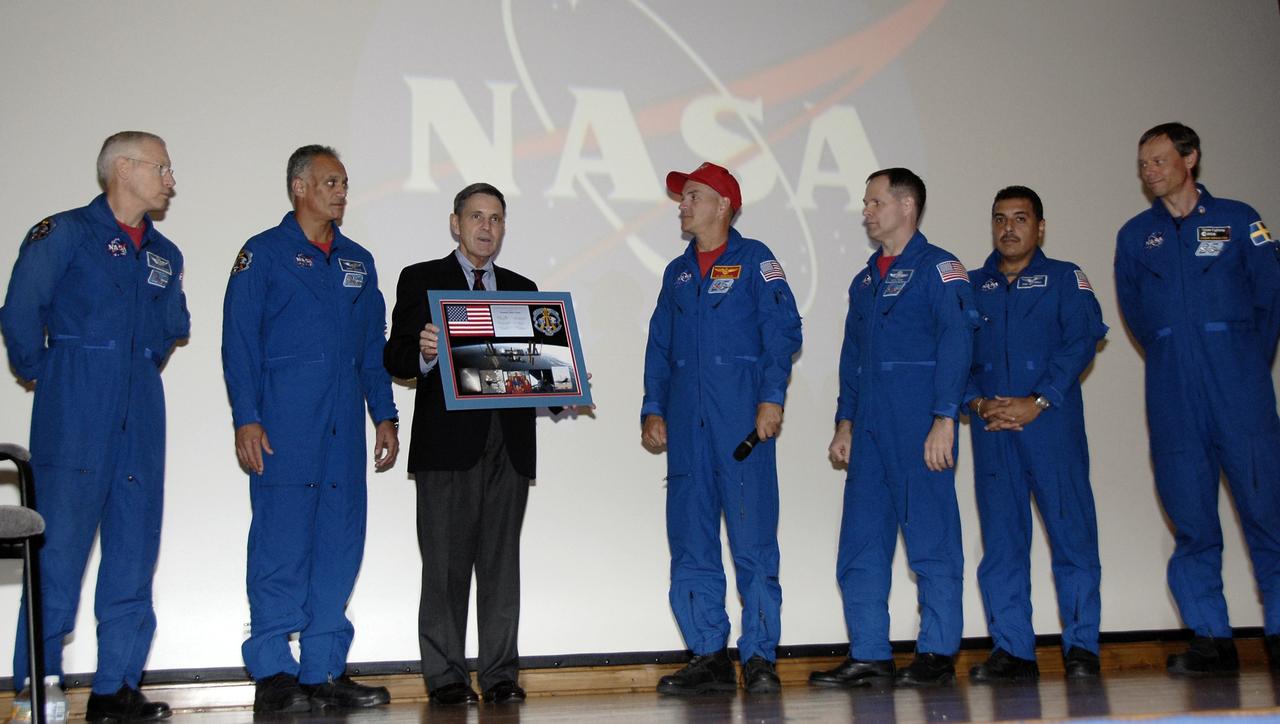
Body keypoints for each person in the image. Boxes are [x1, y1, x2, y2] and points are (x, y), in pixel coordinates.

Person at [0, 131, 187, 722]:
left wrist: (128, 366)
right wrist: (51, 374)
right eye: (161, 168)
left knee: (135, 550)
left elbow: (168, 330)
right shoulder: (63, 234)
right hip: (75, 405)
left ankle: (116, 689)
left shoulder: (165, 254)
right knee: (58, 552)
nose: (170, 180)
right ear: (123, 169)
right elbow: (20, 313)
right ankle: (40, 685)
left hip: (140, 409)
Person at [222, 145, 399, 713]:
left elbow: (372, 349)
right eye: (329, 182)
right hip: (284, 426)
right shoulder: (263, 254)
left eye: (344, 182)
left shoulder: (358, 261)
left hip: (343, 430)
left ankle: (324, 669)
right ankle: (274, 670)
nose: (340, 191)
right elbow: (239, 344)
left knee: (339, 544)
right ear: (299, 187)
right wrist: (246, 417)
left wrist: (385, 414)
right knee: (280, 544)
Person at [1115, 122, 1280, 675]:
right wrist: (1176, 351)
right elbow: (1138, 316)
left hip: (1239, 388)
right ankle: (1211, 638)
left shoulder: (1238, 220)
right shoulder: (1136, 236)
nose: (1149, 172)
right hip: (1173, 393)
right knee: (1191, 520)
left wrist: (1238, 359)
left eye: (1158, 160)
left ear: (1191, 158)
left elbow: (1270, 301)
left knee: (1268, 513)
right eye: (1143, 164)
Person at [810, 168, 978, 689]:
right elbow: (852, 357)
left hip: (919, 427)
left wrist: (944, 418)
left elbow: (957, 343)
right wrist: (845, 421)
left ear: (907, 207)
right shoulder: (865, 281)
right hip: (870, 435)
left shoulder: (940, 269)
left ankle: (936, 654)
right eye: (865, 203)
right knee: (860, 546)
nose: (866, 211)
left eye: (875, 201)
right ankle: (870, 656)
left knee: (932, 542)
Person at [641, 162, 803, 695]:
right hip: (687, 431)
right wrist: (652, 407)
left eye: (692, 196)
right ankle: (708, 656)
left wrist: (771, 398)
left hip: (742, 429)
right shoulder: (677, 273)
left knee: (754, 543)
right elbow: (659, 346)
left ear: (722, 205)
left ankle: (759, 659)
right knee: (691, 543)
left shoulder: (756, 261)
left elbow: (784, 332)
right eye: (682, 198)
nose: (683, 205)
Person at [383, 183, 538, 706]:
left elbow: (532, 369)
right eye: (476, 217)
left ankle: (499, 677)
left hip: (508, 447)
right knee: (445, 567)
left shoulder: (523, 288)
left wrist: (560, 381)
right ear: (455, 223)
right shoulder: (422, 279)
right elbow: (396, 356)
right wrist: (425, 352)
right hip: (447, 448)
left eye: (495, 218)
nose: (486, 228)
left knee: (501, 567)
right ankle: (446, 677)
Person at [965, 186, 1107, 682]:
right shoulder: (970, 284)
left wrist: (1038, 400)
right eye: (1000, 218)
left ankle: (1082, 649)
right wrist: (978, 402)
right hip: (992, 428)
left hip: (1051, 426)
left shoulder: (1066, 278)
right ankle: (1013, 652)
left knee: (1073, 538)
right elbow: (953, 354)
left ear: (1040, 227)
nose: (1009, 228)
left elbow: (1081, 341)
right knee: (1002, 544)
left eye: (1020, 218)